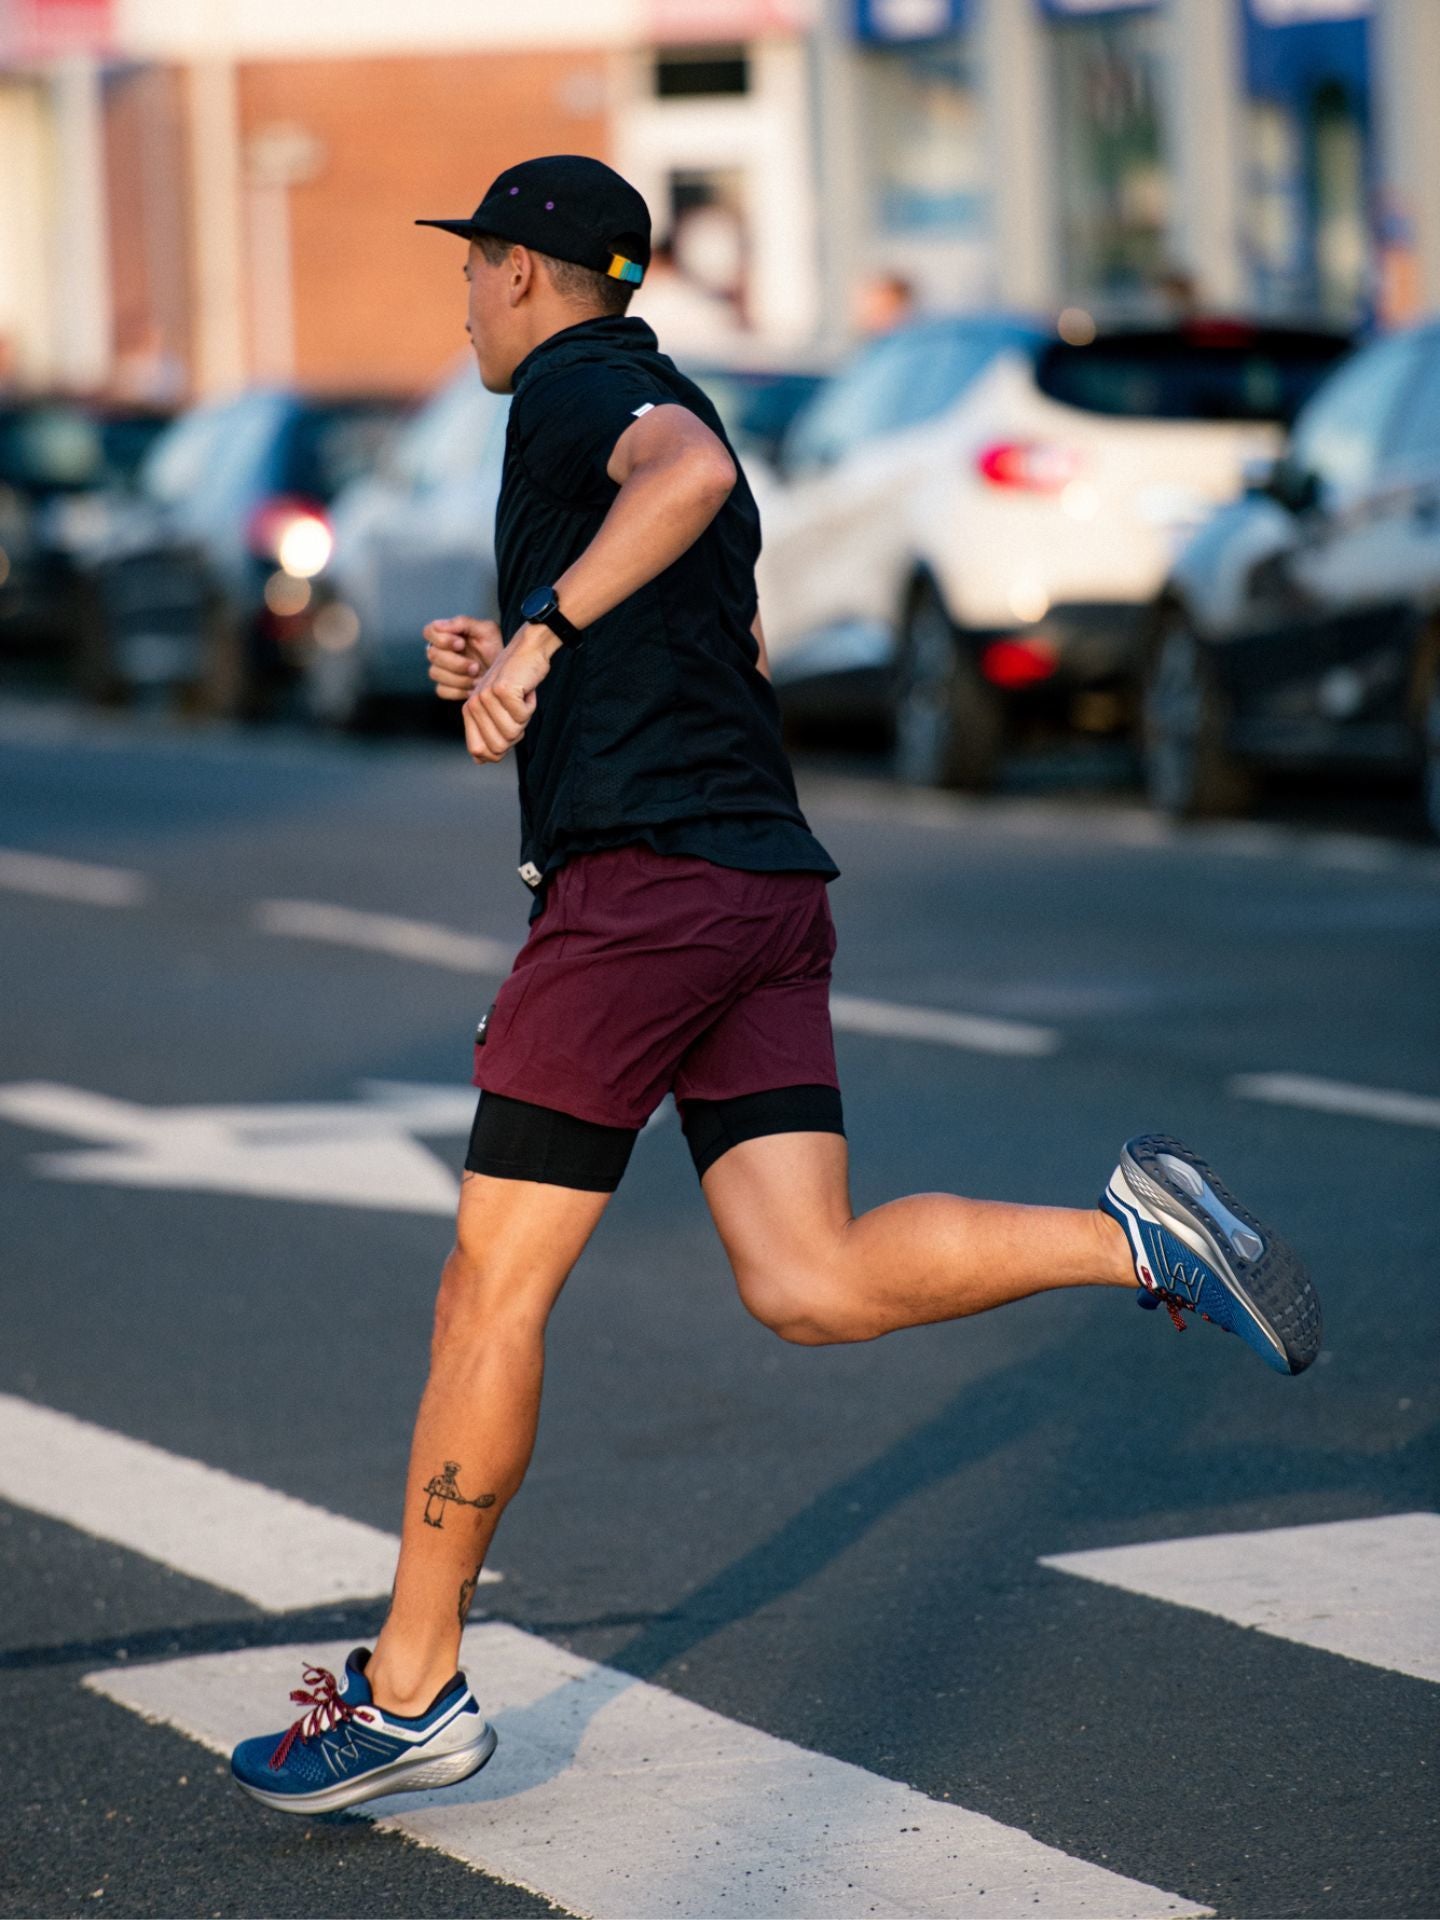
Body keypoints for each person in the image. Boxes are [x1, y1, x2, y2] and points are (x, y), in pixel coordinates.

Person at [229, 156, 1322, 1816]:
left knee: (489, 1289)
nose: (461, 297)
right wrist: (525, 636)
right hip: (758, 882)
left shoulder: (591, 394)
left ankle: (411, 1688)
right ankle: (1140, 1237)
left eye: (472, 269)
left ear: (528, 273)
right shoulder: (648, 383)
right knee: (807, 1277)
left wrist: (538, 642)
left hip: (643, 895)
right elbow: (720, 650)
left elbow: (680, 476)